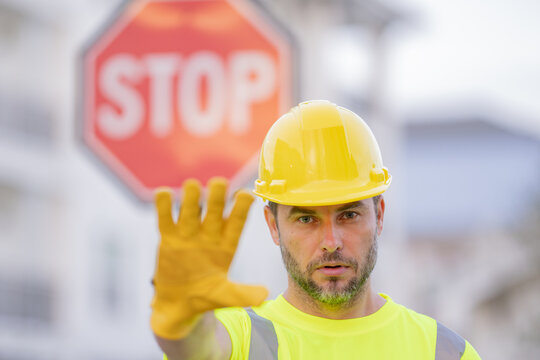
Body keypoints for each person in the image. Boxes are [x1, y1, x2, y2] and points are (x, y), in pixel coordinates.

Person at [150, 100, 481, 359]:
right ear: (273, 225)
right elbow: (200, 349)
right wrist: (182, 325)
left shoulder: (446, 352)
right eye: (306, 219)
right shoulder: (242, 339)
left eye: (348, 215)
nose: (330, 242)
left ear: (379, 215)